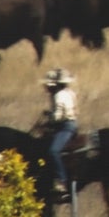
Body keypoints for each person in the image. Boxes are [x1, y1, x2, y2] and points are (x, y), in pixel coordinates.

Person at [34, 67, 78, 199]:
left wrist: (48, 121)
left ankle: (61, 181)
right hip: (71, 124)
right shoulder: (70, 92)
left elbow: (58, 116)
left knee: (53, 151)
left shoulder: (59, 96)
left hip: (65, 127)